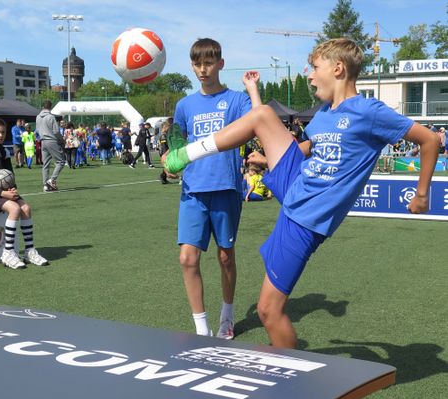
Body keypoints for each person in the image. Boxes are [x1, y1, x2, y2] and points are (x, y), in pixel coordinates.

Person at [164, 38, 438, 348]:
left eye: (315, 68)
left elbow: (429, 140)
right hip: (295, 184)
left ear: (338, 69)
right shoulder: (324, 112)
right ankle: (187, 154)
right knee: (262, 115)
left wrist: (422, 193)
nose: (309, 75)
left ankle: (293, 377)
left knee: (268, 310)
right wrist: (269, 157)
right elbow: (307, 148)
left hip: (306, 217)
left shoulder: (369, 111)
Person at [167, 38, 259, 339]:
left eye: (208, 63)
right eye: (197, 63)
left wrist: (252, 89)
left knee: (225, 256)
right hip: (193, 190)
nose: (202, 69)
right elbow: (175, 147)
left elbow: (259, 120)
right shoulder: (184, 106)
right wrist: (170, 162)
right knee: (187, 258)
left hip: (226, 189)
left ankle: (227, 316)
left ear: (221, 63)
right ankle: (201, 329)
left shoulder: (235, 100)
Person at [0, 117, 49, 269]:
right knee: (14, 208)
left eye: (3, 132)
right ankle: (8, 252)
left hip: (1, 190)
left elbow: (9, 175)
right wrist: (3, 194)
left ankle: (29, 251)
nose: (0, 135)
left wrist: (12, 189)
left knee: (26, 208)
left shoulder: (3, 150)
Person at [36, 100, 66, 192]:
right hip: (51, 140)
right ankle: (52, 180)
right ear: (50, 107)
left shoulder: (38, 117)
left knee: (46, 164)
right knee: (61, 161)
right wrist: (62, 140)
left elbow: (37, 129)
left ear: (42, 107)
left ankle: (46, 184)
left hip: (43, 141)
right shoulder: (51, 117)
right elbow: (56, 131)